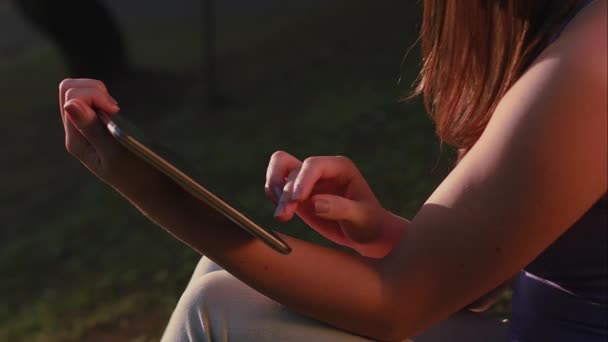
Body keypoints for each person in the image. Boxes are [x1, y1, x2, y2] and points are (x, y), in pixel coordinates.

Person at [56, 0, 607, 341]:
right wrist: (382, 234)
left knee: (220, 309)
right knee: (220, 277)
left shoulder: (592, 56)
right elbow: (481, 281)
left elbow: (396, 309)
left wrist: (147, 187)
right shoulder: (546, 27)